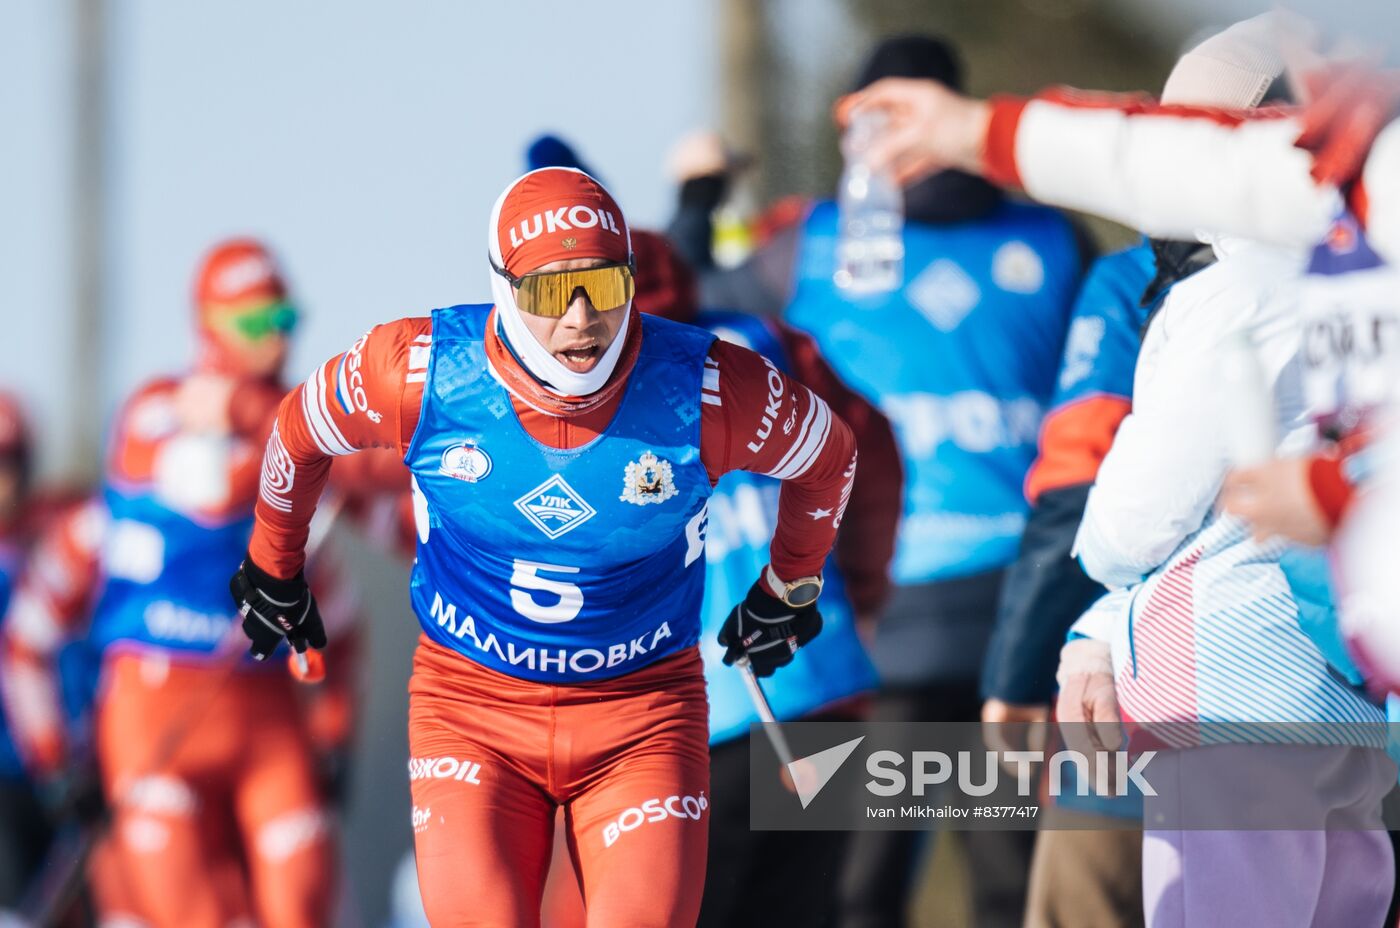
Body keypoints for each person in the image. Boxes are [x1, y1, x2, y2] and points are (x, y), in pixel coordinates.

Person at [229, 167, 857, 927]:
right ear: (504, 290)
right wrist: (273, 566)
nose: (582, 319)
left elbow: (831, 458)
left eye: (604, 285)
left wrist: (791, 586)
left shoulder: (708, 386)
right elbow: (297, 431)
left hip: (640, 717)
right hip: (472, 713)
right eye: (552, 294)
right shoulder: (421, 371)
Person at [764, 34, 1086, 928]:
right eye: (869, 124)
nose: (883, 146)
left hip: (977, 624)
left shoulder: (1046, 235)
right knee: (919, 888)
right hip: (913, 624)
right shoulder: (808, 242)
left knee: (927, 889)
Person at [1, 239, 377, 928]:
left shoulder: (293, 450)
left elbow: (345, 625)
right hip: (155, 715)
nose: (275, 340)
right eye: (254, 324)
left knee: (300, 906)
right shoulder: (157, 417)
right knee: (196, 916)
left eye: (286, 320)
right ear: (207, 325)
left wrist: (336, 737)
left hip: (264, 720)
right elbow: (30, 636)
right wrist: (57, 764)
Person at [621, 229, 900, 928]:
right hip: (818, 683)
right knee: (807, 907)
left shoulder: (594, 394)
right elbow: (868, 456)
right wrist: (857, 587)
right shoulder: (769, 343)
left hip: (686, 721)